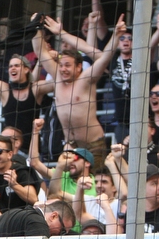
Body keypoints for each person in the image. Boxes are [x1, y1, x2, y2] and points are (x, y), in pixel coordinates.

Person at [33, 14, 126, 171]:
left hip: (93, 145)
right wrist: (35, 26)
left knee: (96, 185)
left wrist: (116, 36)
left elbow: (104, 59)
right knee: (69, 187)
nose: (63, 69)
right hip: (70, 146)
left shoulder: (86, 79)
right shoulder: (57, 77)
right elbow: (40, 52)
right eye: (61, 65)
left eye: (68, 65)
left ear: (78, 67)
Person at [0, 54, 51, 150]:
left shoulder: (35, 89)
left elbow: (58, 82)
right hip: (9, 148)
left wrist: (48, 59)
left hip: (31, 148)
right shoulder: (4, 89)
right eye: (10, 66)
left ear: (26, 70)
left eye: (16, 66)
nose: (13, 68)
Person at [0, 135, 41, 213]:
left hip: (20, 217)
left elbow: (33, 199)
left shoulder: (21, 171)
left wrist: (14, 185)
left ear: (9, 154)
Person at [0, 200, 75, 237]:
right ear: (54, 216)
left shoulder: (15, 212)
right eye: (62, 230)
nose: (60, 235)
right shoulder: (37, 222)